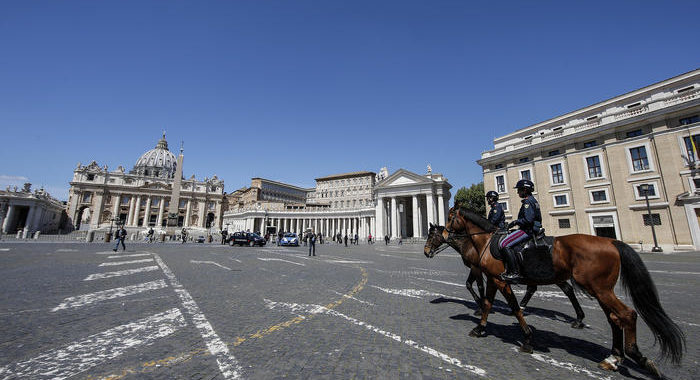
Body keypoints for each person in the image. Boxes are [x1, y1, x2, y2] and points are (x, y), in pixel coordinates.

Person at [499, 179, 542, 283]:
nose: (518, 192)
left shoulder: (528, 201)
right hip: (531, 228)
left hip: (527, 230)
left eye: (519, 190)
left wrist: (515, 222)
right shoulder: (532, 200)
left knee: (504, 244)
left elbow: (528, 219)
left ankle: (514, 272)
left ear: (525, 190)